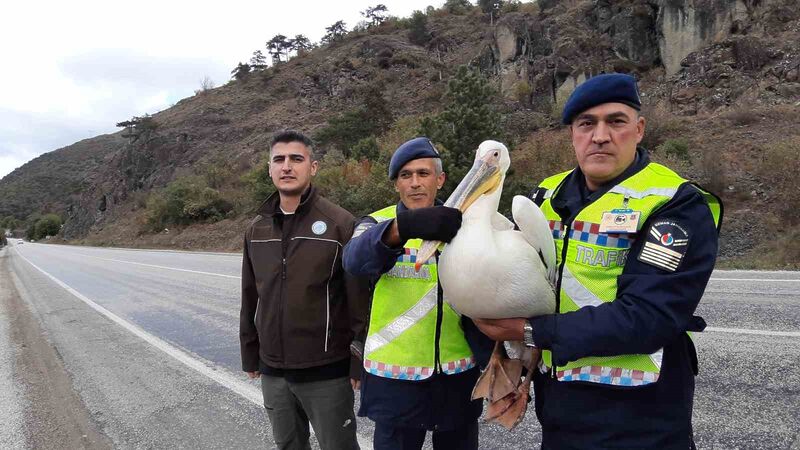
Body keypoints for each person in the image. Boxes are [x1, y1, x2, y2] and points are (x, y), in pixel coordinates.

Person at [473, 73, 723, 449]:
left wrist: (528, 331)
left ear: (639, 130)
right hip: (560, 410)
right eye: (587, 124)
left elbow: (649, 316)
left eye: (616, 122)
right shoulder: (547, 195)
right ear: (573, 133)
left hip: (639, 415)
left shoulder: (673, 203)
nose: (600, 135)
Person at [342, 137, 493, 450]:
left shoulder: (467, 226)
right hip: (395, 380)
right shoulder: (377, 223)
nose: (414, 183)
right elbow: (354, 260)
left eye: (423, 174)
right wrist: (403, 228)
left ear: (440, 180)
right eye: (405, 175)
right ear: (396, 183)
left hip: (457, 375)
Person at [240, 130, 370, 450]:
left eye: (296, 159)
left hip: (326, 372)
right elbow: (249, 295)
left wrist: (358, 358)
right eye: (279, 160)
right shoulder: (256, 229)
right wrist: (250, 353)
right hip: (273, 371)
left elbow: (358, 301)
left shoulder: (340, 224)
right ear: (269, 168)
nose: (287, 166)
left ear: (312, 167)